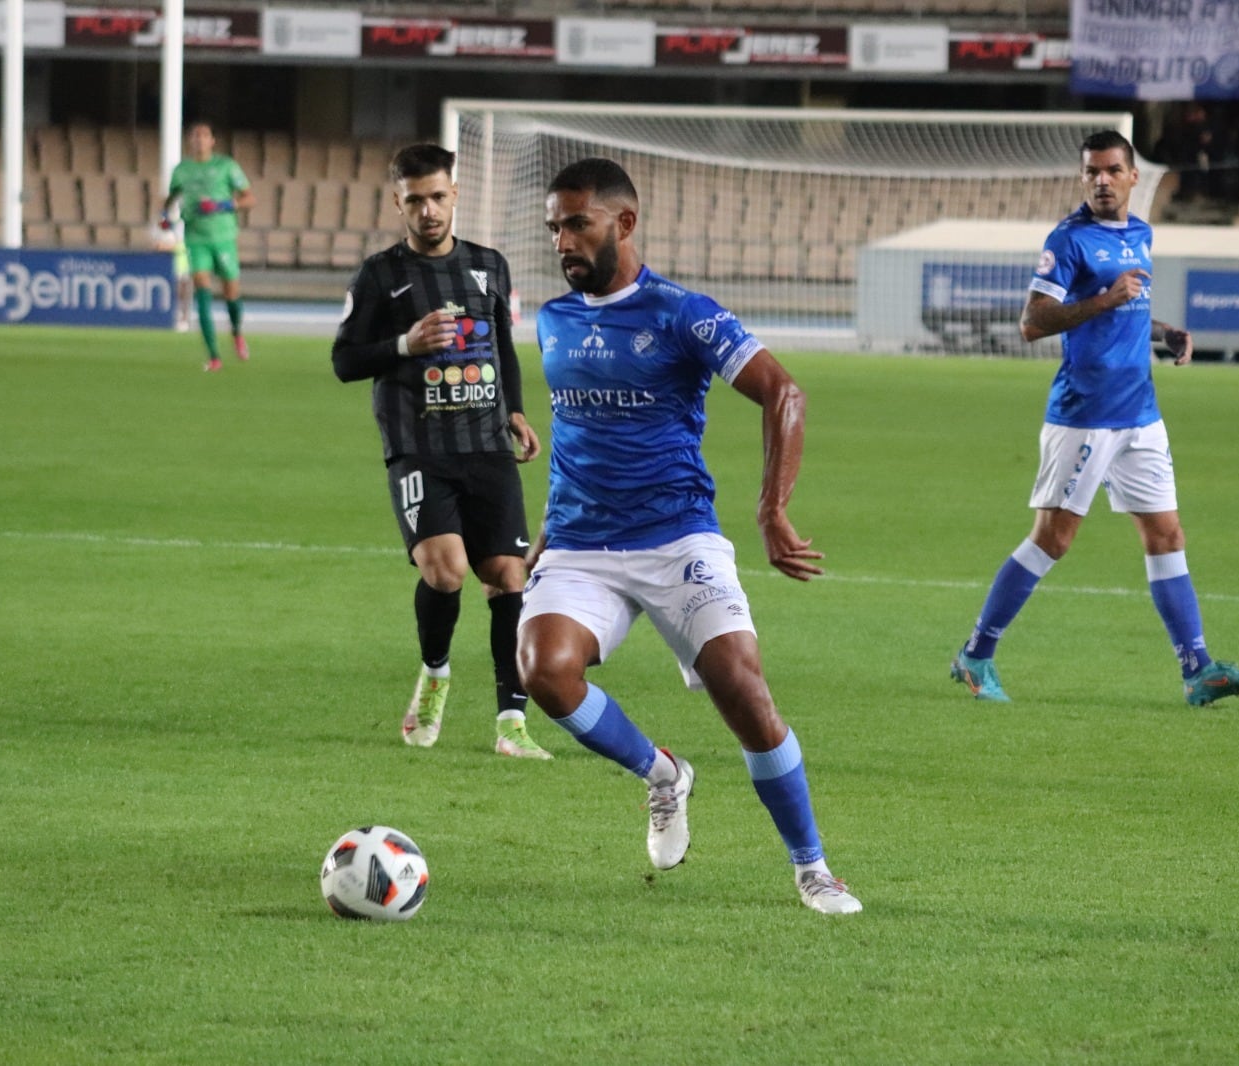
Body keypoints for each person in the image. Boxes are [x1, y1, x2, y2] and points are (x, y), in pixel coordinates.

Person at [519, 157, 861, 915]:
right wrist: (546, 531)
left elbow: (784, 392)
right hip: (581, 542)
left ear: (624, 223)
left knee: (744, 690)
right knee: (544, 672)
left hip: (678, 538)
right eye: (555, 228)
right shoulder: (551, 319)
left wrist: (772, 510)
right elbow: (578, 432)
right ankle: (662, 774)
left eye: (578, 224)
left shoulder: (682, 313)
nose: (563, 242)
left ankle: (813, 867)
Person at [950, 130, 1239, 709]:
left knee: (1167, 534)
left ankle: (1198, 671)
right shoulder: (1067, 241)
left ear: (1131, 178)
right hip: (1085, 415)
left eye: (1111, 170)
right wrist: (1106, 300)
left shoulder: (1141, 234)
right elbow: (1033, 322)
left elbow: (1128, 308)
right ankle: (976, 654)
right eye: (1091, 172)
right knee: (1053, 541)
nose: (1101, 180)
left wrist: (1163, 329)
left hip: (1140, 413)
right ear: (1084, 179)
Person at [332, 142, 552, 761]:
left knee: (510, 576)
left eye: (436, 197)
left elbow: (502, 346)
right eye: (414, 201)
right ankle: (435, 674)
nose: (427, 211)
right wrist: (403, 343)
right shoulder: (379, 275)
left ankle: (511, 723)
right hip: (419, 447)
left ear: (454, 194)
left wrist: (513, 408)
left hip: (485, 445)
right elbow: (345, 360)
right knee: (445, 570)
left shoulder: (489, 266)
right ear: (396, 203)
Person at [163, 119, 254, 371]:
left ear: (212, 141)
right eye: (195, 135)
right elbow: (171, 198)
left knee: (231, 293)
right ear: (190, 141)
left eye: (204, 135)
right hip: (196, 238)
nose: (199, 139)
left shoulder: (226, 166)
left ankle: (236, 332)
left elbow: (249, 197)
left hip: (223, 237)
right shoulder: (182, 170)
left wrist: (222, 205)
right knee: (201, 288)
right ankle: (214, 356)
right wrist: (165, 216)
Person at [151, 211, 193, 333]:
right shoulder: (167, 229)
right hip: (172, 265)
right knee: (175, 292)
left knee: (184, 293)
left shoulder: (183, 226)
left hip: (185, 264)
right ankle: (176, 317)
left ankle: (183, 319)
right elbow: (159, 245)